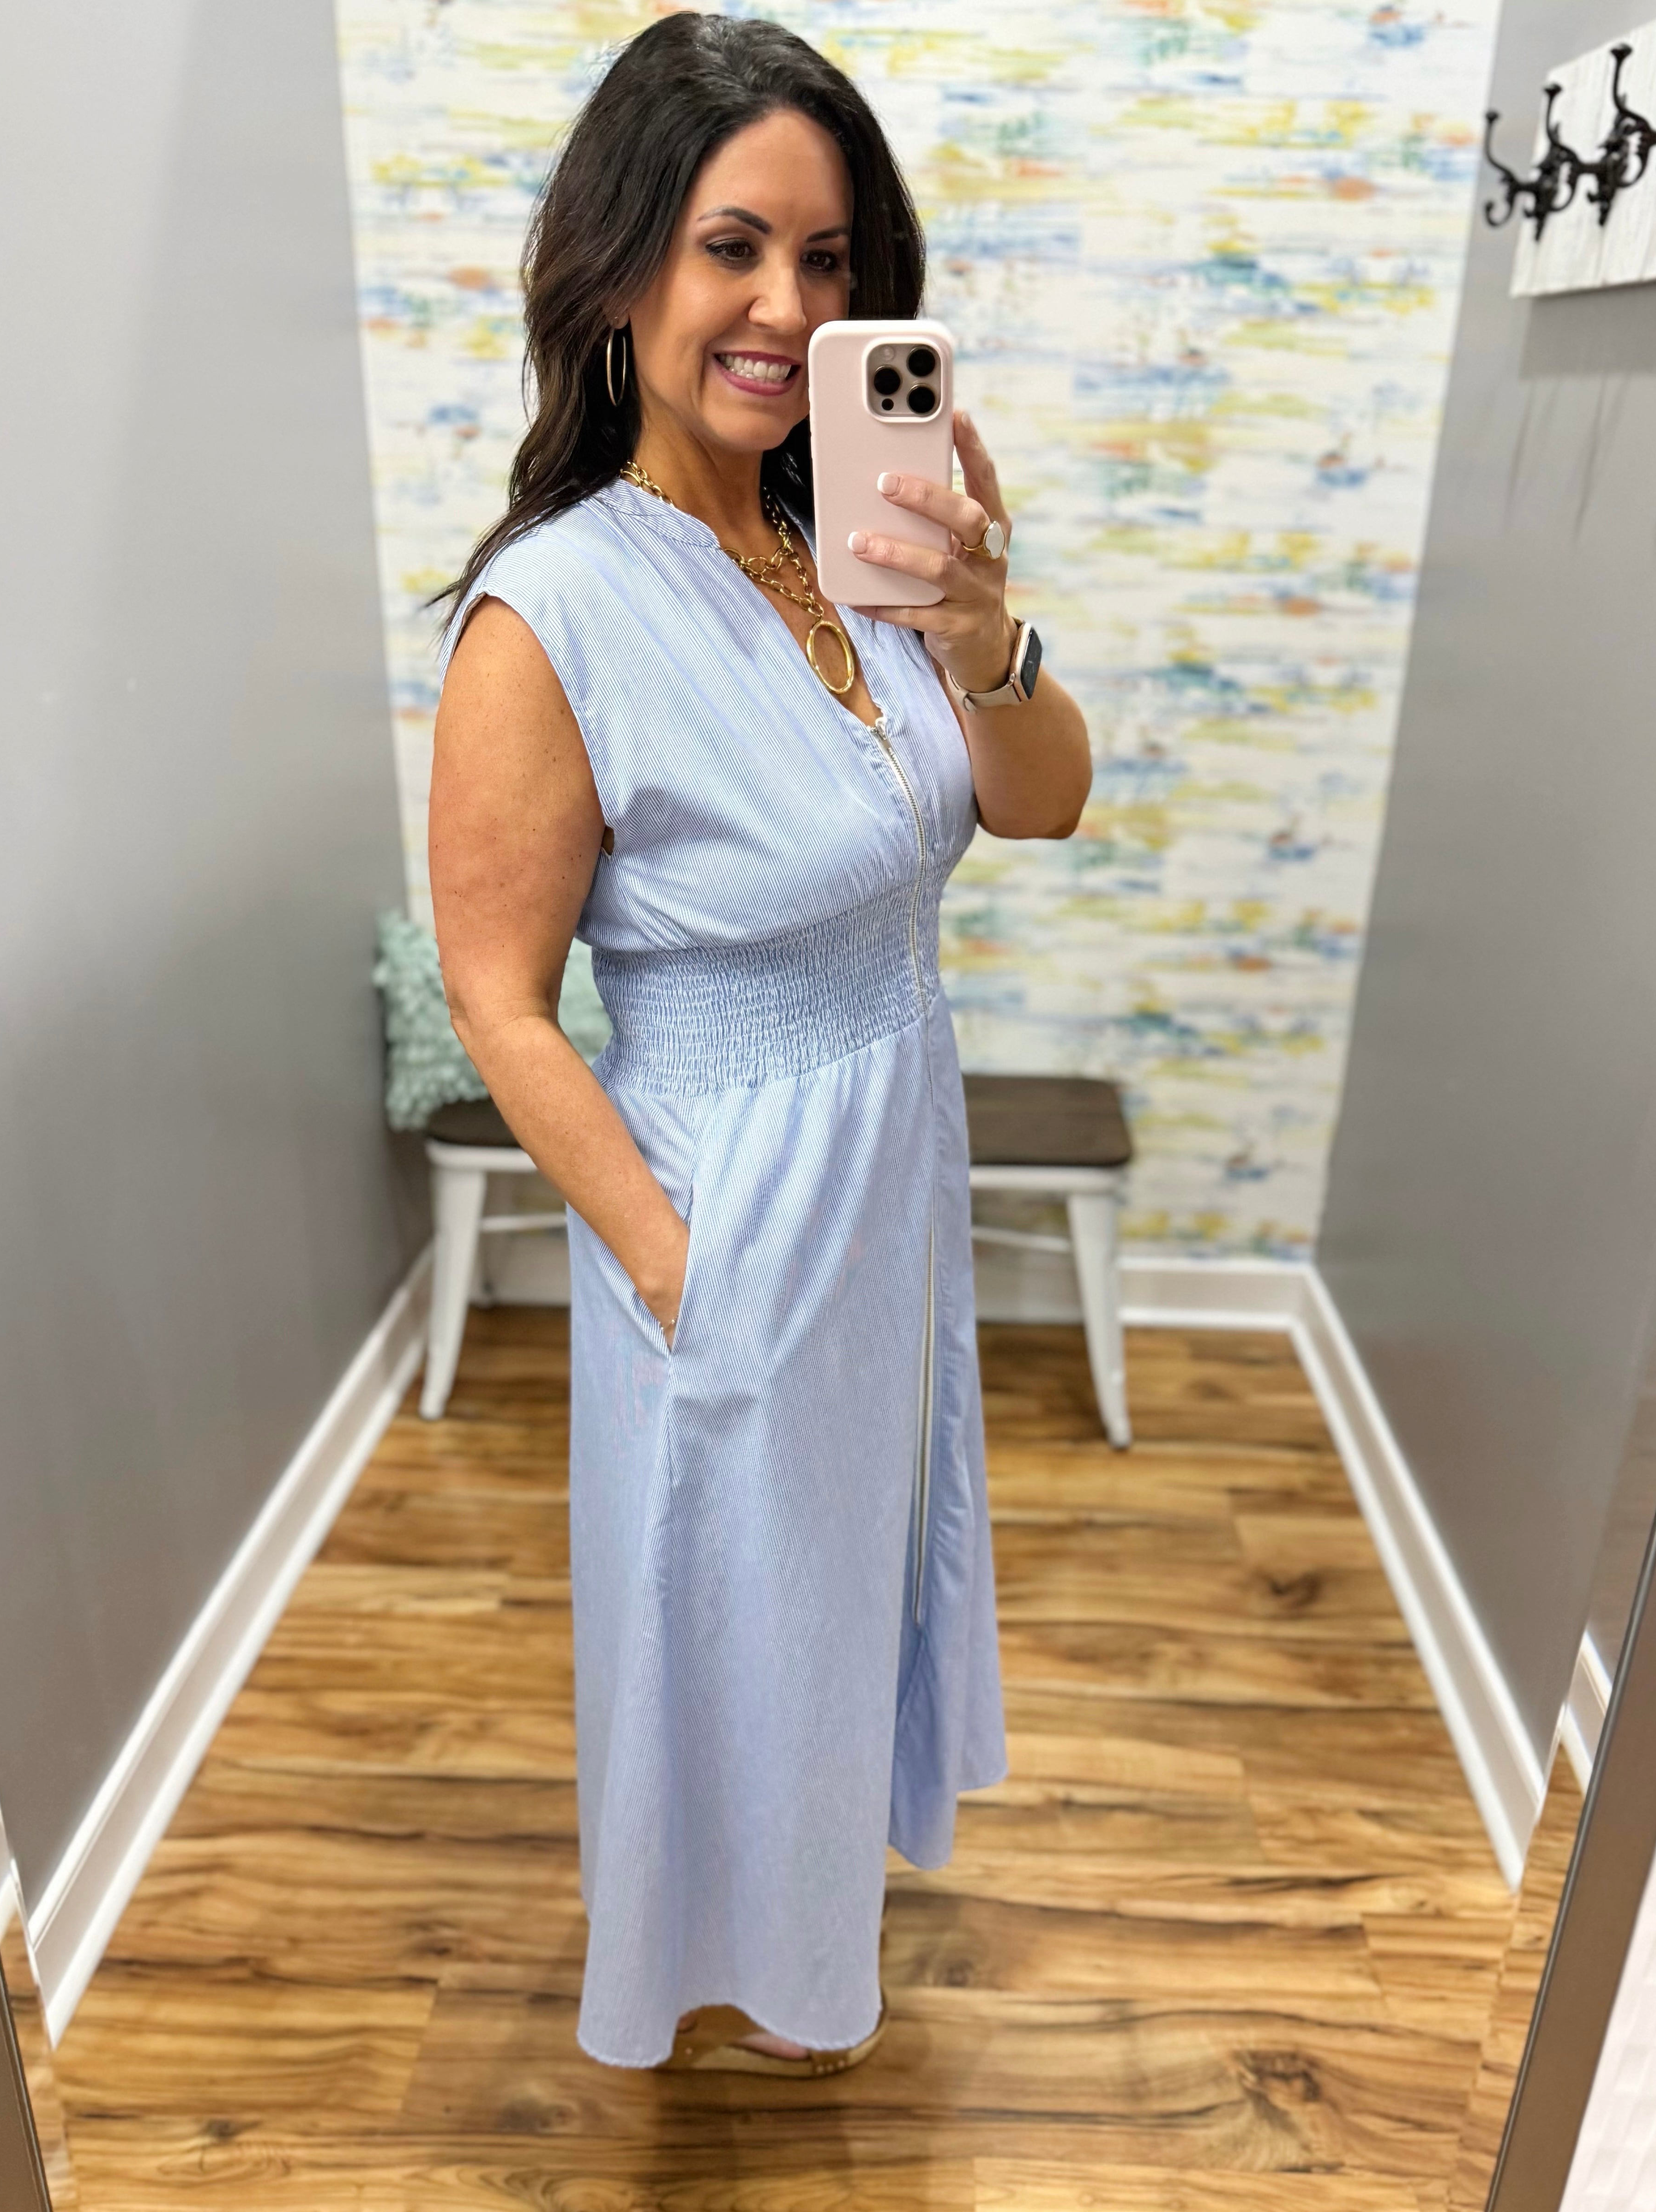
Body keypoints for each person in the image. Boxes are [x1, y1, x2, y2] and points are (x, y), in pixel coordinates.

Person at [429, 12, 1091, 2075]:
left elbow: (1042, 801)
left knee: (834, 1585)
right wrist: (667, 1260)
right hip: (728, 1195)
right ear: (621, 268)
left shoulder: (855, 540)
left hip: (889, 1157)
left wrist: (983, 627)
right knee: (719, 1606)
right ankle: (713, 1967)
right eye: (731, 248)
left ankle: (810, 1918)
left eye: (826, 260)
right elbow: (497, 996)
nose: (785, 310)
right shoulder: (552, 615)